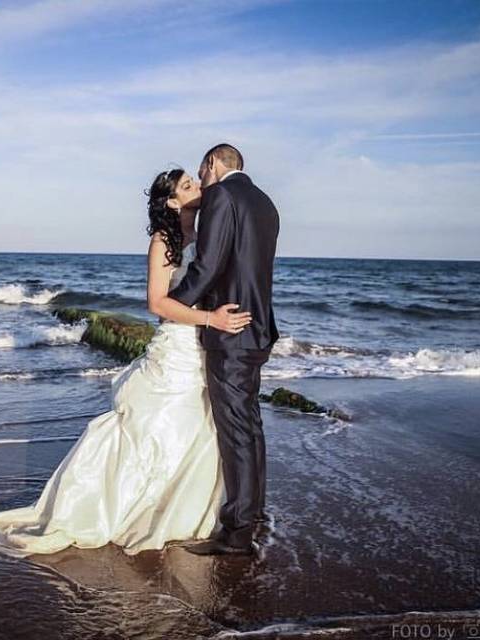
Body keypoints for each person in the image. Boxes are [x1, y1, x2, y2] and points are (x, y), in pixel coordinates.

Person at [0, 167, 252, 558]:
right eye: (187, 186)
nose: (198, 187)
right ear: (171, 201)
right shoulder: (164, 241)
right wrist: (210, 319)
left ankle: (184, 512)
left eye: (195, 181)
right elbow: (157, 303)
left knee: (196, 429)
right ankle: (127, 509)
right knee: (158, 427)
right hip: (178, 346)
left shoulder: (206, 237)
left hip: (202, 350)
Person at [169, 143, 280, 555]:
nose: (200, 180)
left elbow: (208, 265)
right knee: (250, 425)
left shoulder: (222, 196)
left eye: (201, 170)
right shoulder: (265, 202)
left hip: (230, 331)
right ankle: (255, 511)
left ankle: (236, 533)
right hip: (258, 329)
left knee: (235, 430)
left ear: (213, 164)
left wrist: (172, 307)